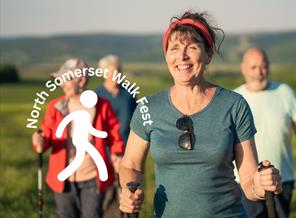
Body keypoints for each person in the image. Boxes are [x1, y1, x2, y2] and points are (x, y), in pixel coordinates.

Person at [119, 11, 282, 217]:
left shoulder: (234, 105)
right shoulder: (148, 108)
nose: (182, 56)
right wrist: (128, 189)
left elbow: (249, 183)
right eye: (174, 48)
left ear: (208, 54)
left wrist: (260, 185)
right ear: (166, 55)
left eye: (192, 48)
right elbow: (130, 165)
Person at [32, 59, 124, 218]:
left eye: (66, 79)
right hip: (63, 179)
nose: (62, 84)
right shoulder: (55, 107)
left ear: (81, 80)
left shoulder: (102, 106)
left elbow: (115, 136)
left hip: (92, 178)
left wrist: (117, 155)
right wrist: (39, 142)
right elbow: (46, 135)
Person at [234, 48, 296, 218]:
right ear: (243, 68)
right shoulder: (234, 98)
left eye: (263, 67)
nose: (259, 72)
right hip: (246, 182)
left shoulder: (284, 92)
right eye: (253, 67)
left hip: (282, 178)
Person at [95, 55, 137, 218]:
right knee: (105, 196)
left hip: (128, 151)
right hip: (102, 153)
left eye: (118, 71)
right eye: (112, 71)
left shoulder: (129, 94)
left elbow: (137, 121)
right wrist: (110, 154)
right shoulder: (95, 95)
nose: (116, 75)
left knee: (128, 195)